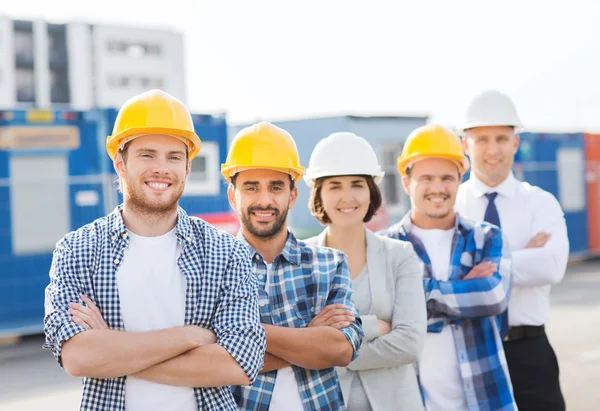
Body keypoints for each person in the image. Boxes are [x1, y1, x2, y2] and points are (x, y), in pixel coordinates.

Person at [43, 90, 266, 411]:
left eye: (174, 157)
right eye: (147, 155)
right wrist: (190, 337)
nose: (162, 168)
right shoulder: (78, 250)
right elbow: (78, 357)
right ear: (120, 164)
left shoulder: (226, 252)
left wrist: (113, 350)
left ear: (188, 168)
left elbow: (238, 365)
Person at [223, 122, 365, 411]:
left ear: (292, 195)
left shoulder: (330, 264)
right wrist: (309, 336)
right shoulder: (214, 270)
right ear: (233, 196)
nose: (264, 200)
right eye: (251, 187)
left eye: (275, 187)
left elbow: (340, 350)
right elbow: (211, 362)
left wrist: (242, 334)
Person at [380, 124, 517, 411]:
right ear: (406, 183)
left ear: (459, 179)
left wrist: (411, 299)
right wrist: (463, 293)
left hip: (487, 400)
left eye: (446, 178)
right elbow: (376, 320)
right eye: (426, 178)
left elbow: (493, 296)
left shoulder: (485, 237)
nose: (438, 188)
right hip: (414, 402)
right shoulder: (383, 248)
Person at [456, 89, 568, 411]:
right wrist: (521, 256)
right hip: (469, 346)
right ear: (466, 145)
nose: (493, 150)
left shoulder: (540, 202)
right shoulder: (452, 205)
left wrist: (476, 268)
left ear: (515, 143)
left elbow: (550, 266)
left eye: (502, 139)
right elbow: (441, 272)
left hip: (529, 350)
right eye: (482, 139)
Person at [302, 132, 427, 410]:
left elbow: (409, 343)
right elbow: (297, 342)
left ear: (371, 192)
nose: (347, 197)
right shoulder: (300, 259)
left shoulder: (400, 255)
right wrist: (373, 326)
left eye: (357, 184)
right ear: (319, 195)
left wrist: (330, 351)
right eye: (334, 186)